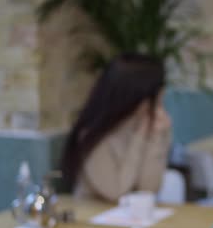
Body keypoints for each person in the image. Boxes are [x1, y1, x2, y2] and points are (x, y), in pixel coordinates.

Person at [61, 53, 176, 203]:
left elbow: (149, 189)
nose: (160, 97)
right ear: (137, 95)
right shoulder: (92, 134)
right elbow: (116, 193)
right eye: (157, 92)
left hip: (131, 221)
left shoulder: (149, 125)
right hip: (91, 220)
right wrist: (140, 137)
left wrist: (156, 138)